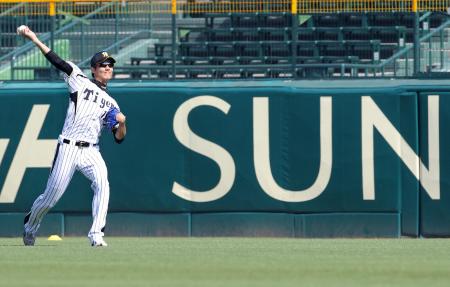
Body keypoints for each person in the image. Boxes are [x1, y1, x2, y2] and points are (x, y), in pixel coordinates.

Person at [19, 26, 127, 247]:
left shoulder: (112, 104)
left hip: (91, 151)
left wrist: (123, 124)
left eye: (110, 65)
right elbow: (57, 60)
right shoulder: (80, 80)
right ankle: (30, 224)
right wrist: (33, 38)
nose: (108, 68)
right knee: (51, 197)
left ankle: (97, 235)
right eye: (103, 65)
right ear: (93, 69)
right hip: (68, 146)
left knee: (102, 183)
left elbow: (118, 137)